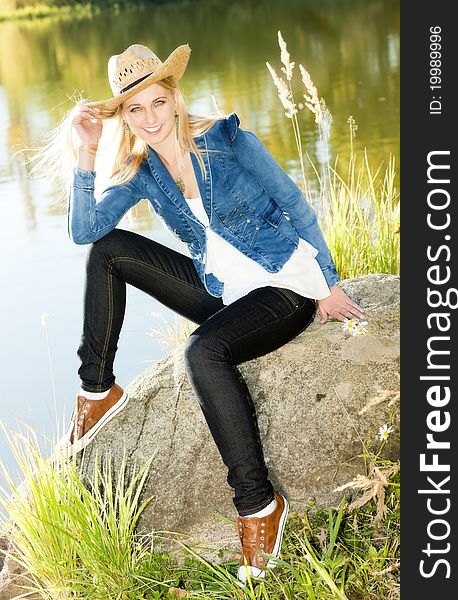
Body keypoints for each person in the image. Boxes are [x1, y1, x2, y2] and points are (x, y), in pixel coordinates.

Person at [43, 43, 363, 583]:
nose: (149, 119)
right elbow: (85, 232)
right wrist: (85, 153)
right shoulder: (142, 170)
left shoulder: (228, 139)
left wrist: (327, 284)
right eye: (134, 110)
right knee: (110, 253)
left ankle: (258, 506)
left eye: (157, 103)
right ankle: (97, 391)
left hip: (282, 283)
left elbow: (295, 204)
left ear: (174, 96)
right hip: (222, 290)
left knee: (204, 352)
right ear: (124, 116)